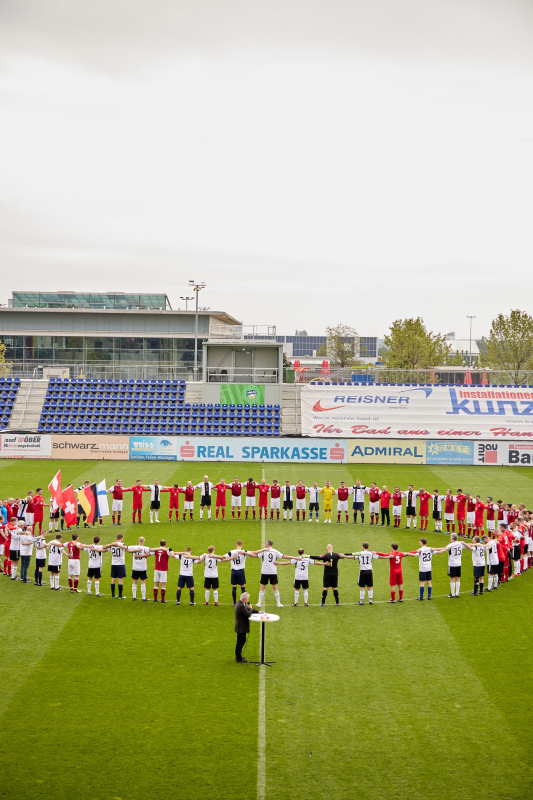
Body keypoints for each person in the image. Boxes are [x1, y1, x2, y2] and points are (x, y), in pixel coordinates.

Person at [252, 539, 299, 607]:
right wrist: (295, 557)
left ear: (267, 544)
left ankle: (259, 603)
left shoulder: (264, 551)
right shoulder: (275, 551)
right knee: (275, 588)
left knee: (262, 587)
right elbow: (285, 556)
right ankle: (278, 603)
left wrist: (246, 553)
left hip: (264, 572)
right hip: (273, 572)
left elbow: (255, 555)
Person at [105, 533, 132, 598]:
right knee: (120, 579)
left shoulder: (112, 544)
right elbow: (128, 550)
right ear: (121, 538)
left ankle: (113, 595)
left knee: (113, 579)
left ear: (116, 538)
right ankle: (120, 596)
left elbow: (105, 548)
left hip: (113, 564)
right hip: (120, 564)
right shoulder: (122, 544)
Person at [441, 533, 466, 598]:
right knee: (457, 578)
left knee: (452, 578)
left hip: (452, 563)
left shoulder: (451, 545)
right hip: (458, 563)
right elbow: (467, 545)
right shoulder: (460, 544)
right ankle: (457, 593)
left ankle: (452, 594)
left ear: (452, 538)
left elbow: (445, 549)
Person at [227, 540, 249, 604]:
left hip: (233, 571)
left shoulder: (232, 552)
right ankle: (244, 602)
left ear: (236, 544)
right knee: (243, 586)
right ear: (241, 545)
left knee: (234, 587)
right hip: (241, 571)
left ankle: (234, 602)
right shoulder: (244, 552)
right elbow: (254, 553)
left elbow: (223, 557)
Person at [234, 591, 254, 663]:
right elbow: (248, 613)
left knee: (241, 641)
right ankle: (238, 657)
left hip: (240, 626)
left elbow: (246, 611)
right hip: (241, 627)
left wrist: (258, 611)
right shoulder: (241, 606)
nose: (248, 600)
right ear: (244, 599)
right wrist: (251, 608)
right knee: (240, 642)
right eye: (248, 599)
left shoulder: (239, 604)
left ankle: (238, 656)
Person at [130, 536, 152, 601]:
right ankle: (143, 598)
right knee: (143, 582)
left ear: (138, 541)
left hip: (135, 567)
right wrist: (142, 556)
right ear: (144, 542)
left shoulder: (134, 547)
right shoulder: (145, 548)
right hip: (143, 568)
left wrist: (138, 555)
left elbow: (127, 549)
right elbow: (150, 553)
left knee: (134, 581)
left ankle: (134, 597)